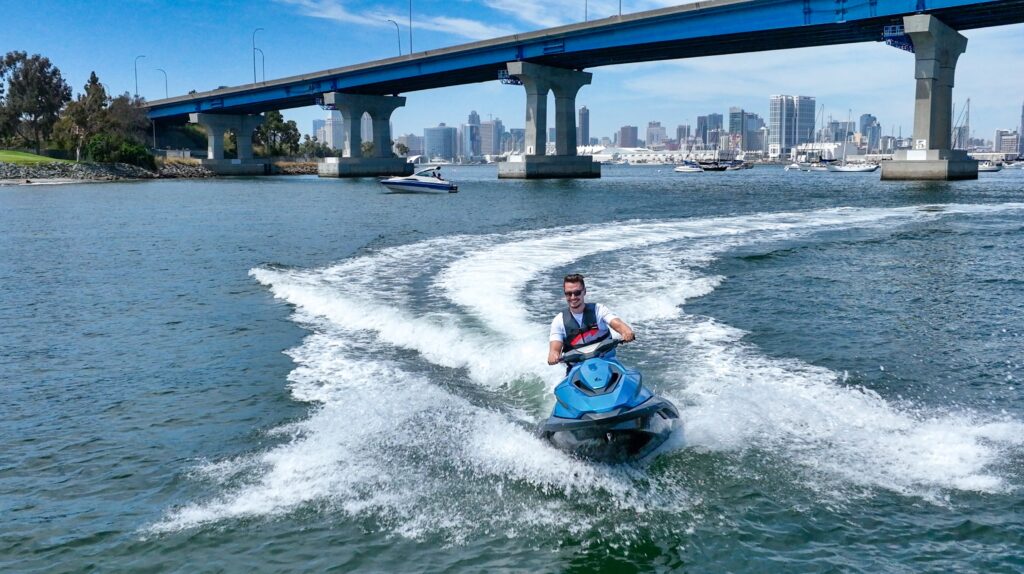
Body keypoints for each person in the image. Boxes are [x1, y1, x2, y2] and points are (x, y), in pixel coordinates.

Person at [547, 273, 635, 368]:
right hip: (577, 369)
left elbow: (617, 324)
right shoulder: (559, 321)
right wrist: (553, 355)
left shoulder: (599, 310)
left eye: (577, 293)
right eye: (568, 294)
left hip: (608, 363)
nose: (573, 297)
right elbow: (554, 349)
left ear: (584, 292)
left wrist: (626, 331)